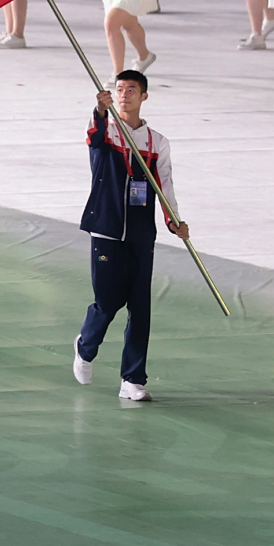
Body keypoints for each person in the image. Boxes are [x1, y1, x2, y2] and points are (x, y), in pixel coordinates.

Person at [72, 71, 187, 403]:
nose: (124, 94)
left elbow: (164, 184)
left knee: (140, 307)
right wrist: (99, 110)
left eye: (132, 90)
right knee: (107, 303)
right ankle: (86, 346)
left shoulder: (157, 142)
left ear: (144, 96)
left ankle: (132, 379)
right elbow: (93, 136)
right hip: (106, 228)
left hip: (141, 234)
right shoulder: (106, 131)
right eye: (120, 89)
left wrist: (174, 221)